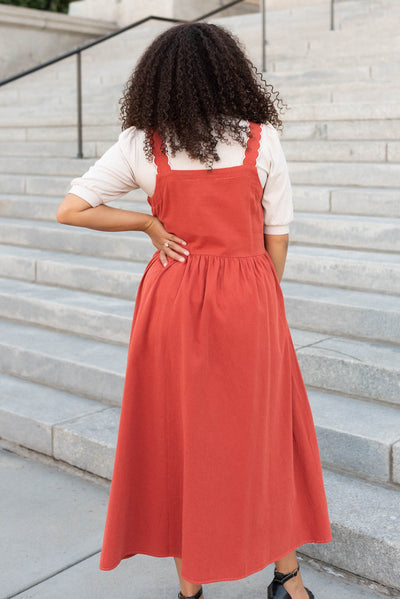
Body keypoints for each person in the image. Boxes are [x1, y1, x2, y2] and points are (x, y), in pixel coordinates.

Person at [56, 21, 332, 599]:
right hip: (249, 297)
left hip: (172, 298)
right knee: (266, 436)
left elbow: (73, 209)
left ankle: (191, 591)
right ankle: (288, 580)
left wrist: (148, 223)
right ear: (231, 74)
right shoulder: (262, 138)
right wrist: (257, 291)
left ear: (157, 81)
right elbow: (276, 236)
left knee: (179, 439)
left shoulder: (142, 142)